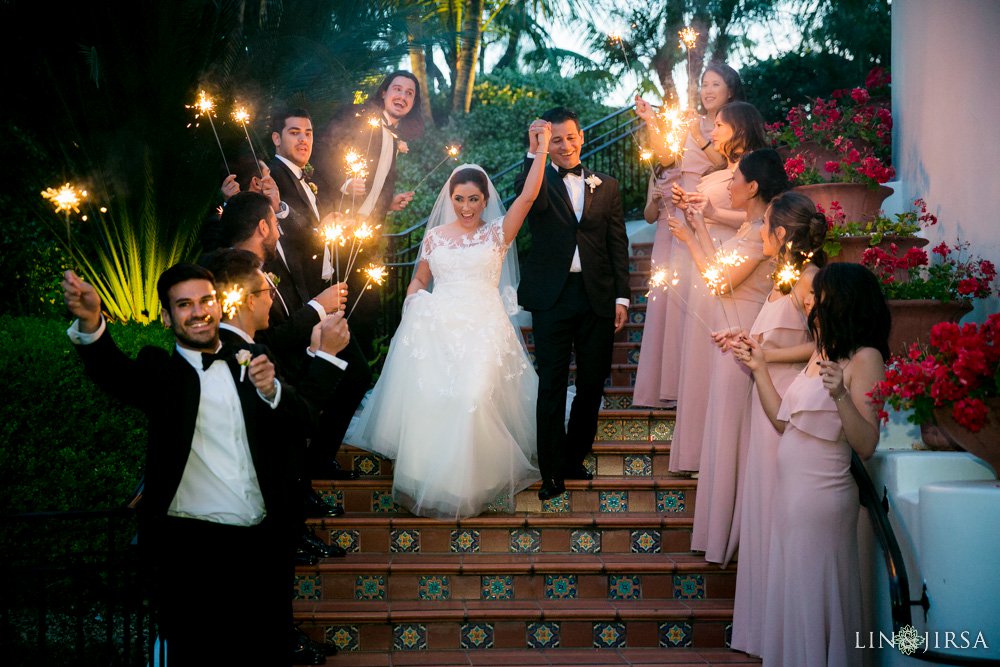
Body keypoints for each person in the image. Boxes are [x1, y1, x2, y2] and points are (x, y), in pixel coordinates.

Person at [62, 264, 342, 665]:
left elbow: (303, 424)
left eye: (205, 300)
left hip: (260, 546)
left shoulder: (253, 358)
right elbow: (114, 373)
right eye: (184, 304)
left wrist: (272, 392)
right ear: (166, 315)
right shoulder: (161, 372)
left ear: (219, 303)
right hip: (190, 551)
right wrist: (91, 322)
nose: (198, 311)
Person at [348, 120, 552, 518]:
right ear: (450, 197)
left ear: (485, 199)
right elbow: (422, 278)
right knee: (433, 400)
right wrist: (413, 302)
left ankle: (471, 485)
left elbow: (528, 197)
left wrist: (540, 148)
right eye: (460, 199)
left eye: (474, 199)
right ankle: (434, 482)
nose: (466, 207)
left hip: (483, 326)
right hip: (437, 328)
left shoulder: (497, 233)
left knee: (472, 396)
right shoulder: (436, 236)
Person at [734, 262, 889, 666]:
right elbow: (783, 422)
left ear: (842, 301)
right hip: (790, 497)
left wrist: (840, 395)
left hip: (823, 498)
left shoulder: (865, 359)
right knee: (794, 590)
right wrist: (760, 369)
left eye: (819, 295)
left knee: (815, 591)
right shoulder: (822, 352)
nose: (810, 301)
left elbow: (866, 442)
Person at [672, 147, 788, 564]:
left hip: (746, 339)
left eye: (736, 178)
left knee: (734, 433)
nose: (730, 184)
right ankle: (721, 533)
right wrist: (695, 231)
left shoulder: (763, 234)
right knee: (725, 430)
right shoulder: (752, 228)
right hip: (732, 335)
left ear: (752, 187)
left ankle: (733, 536)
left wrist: (694, 236)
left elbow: (719, 282)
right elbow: (718, 273)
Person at [724, 191, 828, 658]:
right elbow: (779, 339)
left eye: (766, 225)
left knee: (775, 511)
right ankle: (766, 631)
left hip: (788, 402)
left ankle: (784, 637)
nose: (760, 232)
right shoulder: (782, 281)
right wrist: (747, 344)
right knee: (762, 507)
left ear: (782, 234)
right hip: (766, 394)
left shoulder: (811, 281)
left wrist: (765, 355)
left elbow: (823, 346)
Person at [205, 191, 369, 486]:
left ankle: (313, 464)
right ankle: (302, 475)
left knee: (355, 372)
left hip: (301, 340)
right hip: (275, 364)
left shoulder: (272, 256)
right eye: (274, 222)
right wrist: (317, 311)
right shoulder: (234, 273)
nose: (280, 230)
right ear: (263, 227)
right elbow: (263, 336)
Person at [515, 106, 630, 500]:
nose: (564, 146)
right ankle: (550, 473)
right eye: (556, 139)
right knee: (551, 383)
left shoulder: (608, 186)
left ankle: (573, 456)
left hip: (597, 296)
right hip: (552, 298)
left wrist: (622, 297)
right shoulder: (538, 180)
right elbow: (525, 199)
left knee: (592, 383)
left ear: (581, 137)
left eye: (569, 137)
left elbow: (618, 244)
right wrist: (536, 153)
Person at [632, 63, 745, 409]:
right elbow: (667, 157)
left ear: (730, 89)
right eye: (704, 84)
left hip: (712, 210)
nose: (708, 90)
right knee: (676, 297)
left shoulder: (733, 125)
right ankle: (671, 384)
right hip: (682, 207)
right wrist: (652, 121)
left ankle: (703, 383)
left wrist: (697, 133)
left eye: (715, 84)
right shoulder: (690, 123)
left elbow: (723, 161)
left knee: (703, 295)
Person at [666, 101, 768, 475]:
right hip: (708, 256)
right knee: (701, 352)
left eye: (721, 125)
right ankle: (699, 451)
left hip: (736, 261)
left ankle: (722, 456)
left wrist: (709, 214)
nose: (712, 131)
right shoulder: (717, 169)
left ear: (741, 127)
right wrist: (692, 207)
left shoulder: (756, 168)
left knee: (722, 353)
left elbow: (758, 216)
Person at [314, 71, 425, 356]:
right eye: (397, 89)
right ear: (384, 93)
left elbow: (376, 185)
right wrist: (344, 181)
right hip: (336, 233)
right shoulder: (361, 119)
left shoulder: (394, 136)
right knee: (335, 310)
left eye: (409, 93)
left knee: (365, 311)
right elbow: (324, 149)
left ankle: (352, 379)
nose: (402, 96)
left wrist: (387, 202)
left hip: (368, 239)